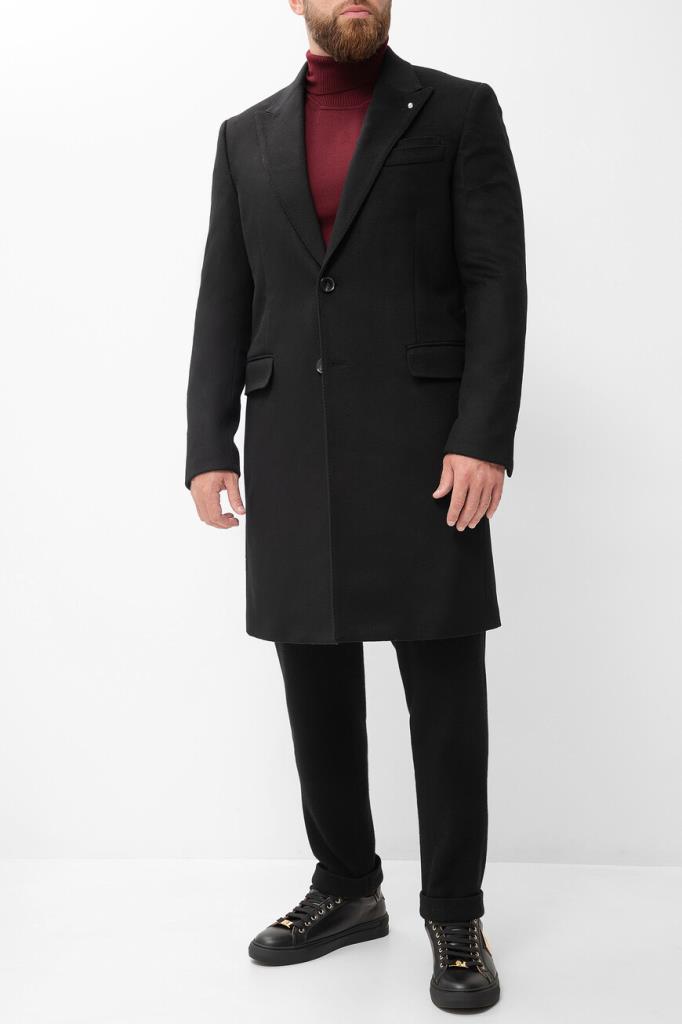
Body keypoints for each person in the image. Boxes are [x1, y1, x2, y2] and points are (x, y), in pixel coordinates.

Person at [185, 0, 526, 1011]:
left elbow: (495, 279)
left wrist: (482, 433)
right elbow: (225, 290)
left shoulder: (457, 112)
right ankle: (345, 887)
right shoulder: (244, 137)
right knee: (314, 678)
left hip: (427, 448)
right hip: (291, 442)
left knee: (444, 683)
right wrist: (208, 443)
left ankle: (454, 909)